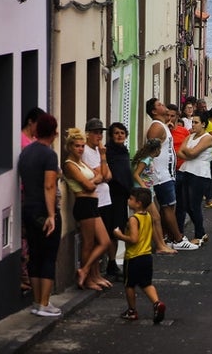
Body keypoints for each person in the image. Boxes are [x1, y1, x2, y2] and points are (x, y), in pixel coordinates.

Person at [18, 114, 62, 317]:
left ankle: (37, 302)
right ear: (54, 133)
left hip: (28, 208)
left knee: (35, 256)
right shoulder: (49, 155)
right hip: (44, 211)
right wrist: (51, 215)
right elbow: (49, 185)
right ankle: (44, 303)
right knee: (48, 256)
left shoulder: (26, 152)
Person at [145, 98, 198, 251]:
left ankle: (168, 238)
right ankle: (178, 239)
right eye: (160, 105)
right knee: (168, 206)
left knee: (169, 206)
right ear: (154, 111)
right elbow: (150, 150)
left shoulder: (163, 126)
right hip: (161, 175)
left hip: (167, 173)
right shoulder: (156, 127)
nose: (164, 106)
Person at [63, 128, 112, 291]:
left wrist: (94, 180)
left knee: (104, 241)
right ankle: (88, 278)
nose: (80, 149)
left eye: (82, 146)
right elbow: (89, 185)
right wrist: (95, 180)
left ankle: (87, 271)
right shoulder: (69, 165)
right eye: (77, 146)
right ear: (70, 147)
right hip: (83, 205)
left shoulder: (80, 163)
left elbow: (100, 176)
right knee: (88, 244)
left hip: (92, 205)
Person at [113, 187, 167, 324]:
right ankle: (157, 303)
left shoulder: (133, 219)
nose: (128, 201)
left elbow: (134, 239)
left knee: (129, 285)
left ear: (138, 203)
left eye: (130, 199)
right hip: (147, 256)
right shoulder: (148, 216)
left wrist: (120, 235)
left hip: (133, 257)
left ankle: (132, 311)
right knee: (146, 283)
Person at [81, 118, 116, 280]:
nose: (99, 136)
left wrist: (102, 161)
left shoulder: (97, 150)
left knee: (102, 241)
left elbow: (108, 176)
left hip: (105, 199)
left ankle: (95, 274)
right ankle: (89, 274)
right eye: (95, 132)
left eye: (101, 132)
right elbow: (101, 175)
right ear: (88, 134)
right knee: (97, 241)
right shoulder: (88, 152)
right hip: (96, 200)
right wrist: (103, 157)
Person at [104, 122, 140, 276]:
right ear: (111, 136)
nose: (119, 135)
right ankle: (111, 263)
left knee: (118, 228)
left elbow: (125, 173)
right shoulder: (108, 152)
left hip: (122, 196)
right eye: (116, 133)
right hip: (112, 195)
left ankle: (119, 263)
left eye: (122, 133)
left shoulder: (124, 151)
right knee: (113, 230)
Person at [176, 110, 212, 246]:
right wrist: (189, 153)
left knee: (194, 205)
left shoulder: (208, 137)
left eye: (196, 122)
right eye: (192, 122)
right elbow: (180, 152)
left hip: (200, 173)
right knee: (186, 205)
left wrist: (188, 152)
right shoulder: (191, 136)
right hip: (187, 170)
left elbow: (192, 152)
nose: (193, 125)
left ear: (203, 124)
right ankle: (201, 232)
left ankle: (199, 234)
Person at [19, 107, 46, 294]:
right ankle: (23, 275)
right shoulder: (20, 139)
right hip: (24, 193)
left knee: (32, 237)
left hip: (36, 194)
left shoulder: (36, 141)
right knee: (23, 235)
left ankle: (29, 274)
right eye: (39, 124)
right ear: (30, 121)